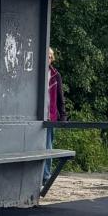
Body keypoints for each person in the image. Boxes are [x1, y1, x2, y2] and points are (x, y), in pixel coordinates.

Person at [43, 47, 66, 184]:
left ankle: (46, 176)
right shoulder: (35, 73)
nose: (49, 59)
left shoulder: (55, 75)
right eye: (47, 56)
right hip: (37, 116)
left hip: (50, 116)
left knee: (48, 146)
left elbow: (60, 97)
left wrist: (63, 115)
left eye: (50, 57)